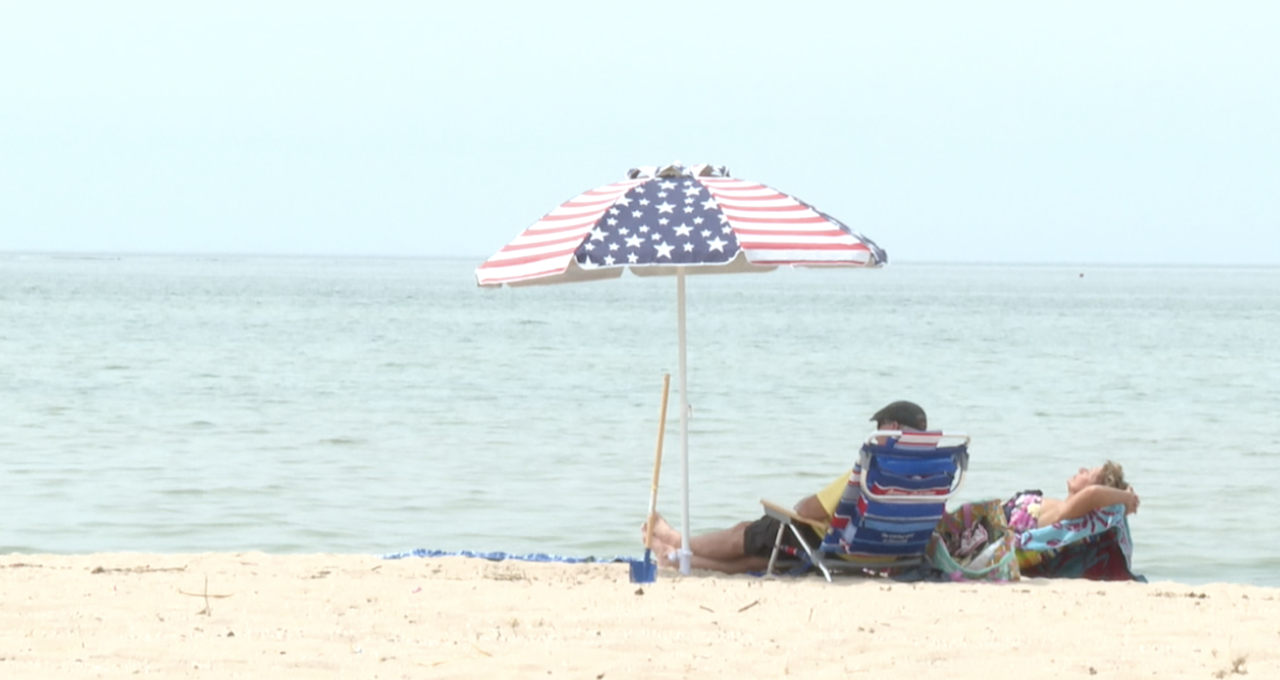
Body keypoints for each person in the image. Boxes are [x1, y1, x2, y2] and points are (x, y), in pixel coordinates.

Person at [642, 400, 930, 574]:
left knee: (751, 531)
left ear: (891, 428)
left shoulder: (875, 468)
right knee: (755, 560)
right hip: (886, 553)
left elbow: (809, 510)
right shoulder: (929, 475)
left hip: (835, 548)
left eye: (880, 424)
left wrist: (805, 507)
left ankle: (678, 540)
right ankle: (673, 559)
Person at [1005, 461, 1139, 532]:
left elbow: (1093, 494)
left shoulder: (1068, 512)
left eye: (1088, 473)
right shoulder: (1064, 507)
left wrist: (1127, 498)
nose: (1081, 469)